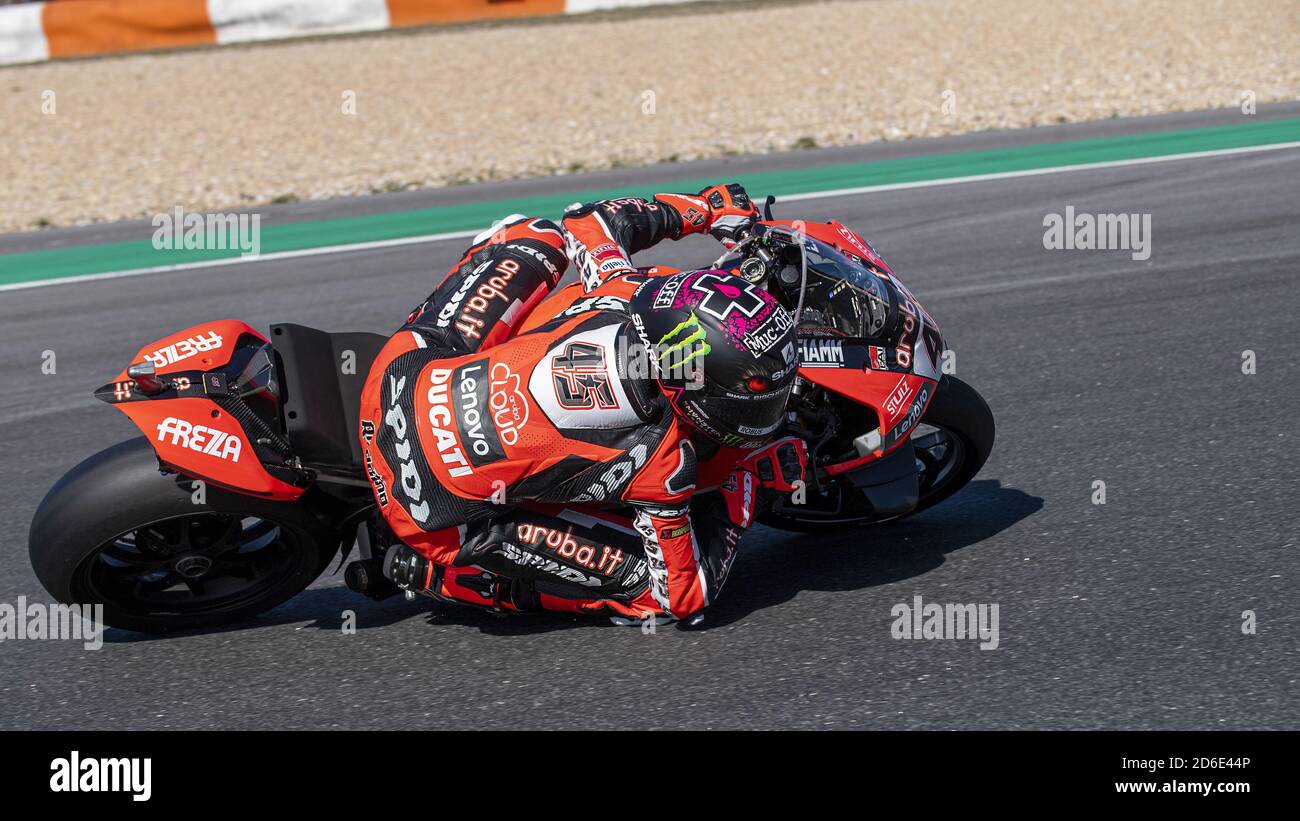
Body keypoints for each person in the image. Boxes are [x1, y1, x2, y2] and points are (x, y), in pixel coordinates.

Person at [358, 184, 805, 624]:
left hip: (396, 378)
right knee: (652, 597)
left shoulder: (621, 288)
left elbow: (585, 217)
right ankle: (446, 578)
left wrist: (704, 209)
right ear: (695, 389)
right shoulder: (663, 465)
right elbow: (686, 594)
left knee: (536, 236)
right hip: (425, 513)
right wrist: (741, 490)